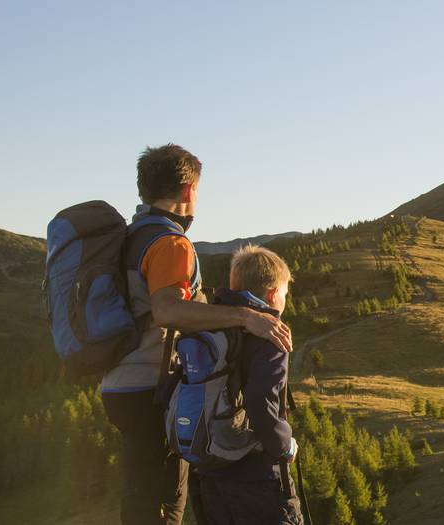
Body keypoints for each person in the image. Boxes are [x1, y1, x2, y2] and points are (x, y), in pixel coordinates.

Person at [105, 144, 294, 525]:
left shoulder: (129, 238)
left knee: (140, 496)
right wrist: (245, 317)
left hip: (118, 383)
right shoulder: (169, 242)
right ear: (190, 191)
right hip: (150, 389)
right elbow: (167, 310)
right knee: (164, 505)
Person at [188, 245, 304, 525]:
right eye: (285, 294)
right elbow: (261, 403)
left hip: (209, 469)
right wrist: (284, 446)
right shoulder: (271, 335)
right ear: (273, 293)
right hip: (256, 475)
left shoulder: (208, 323)